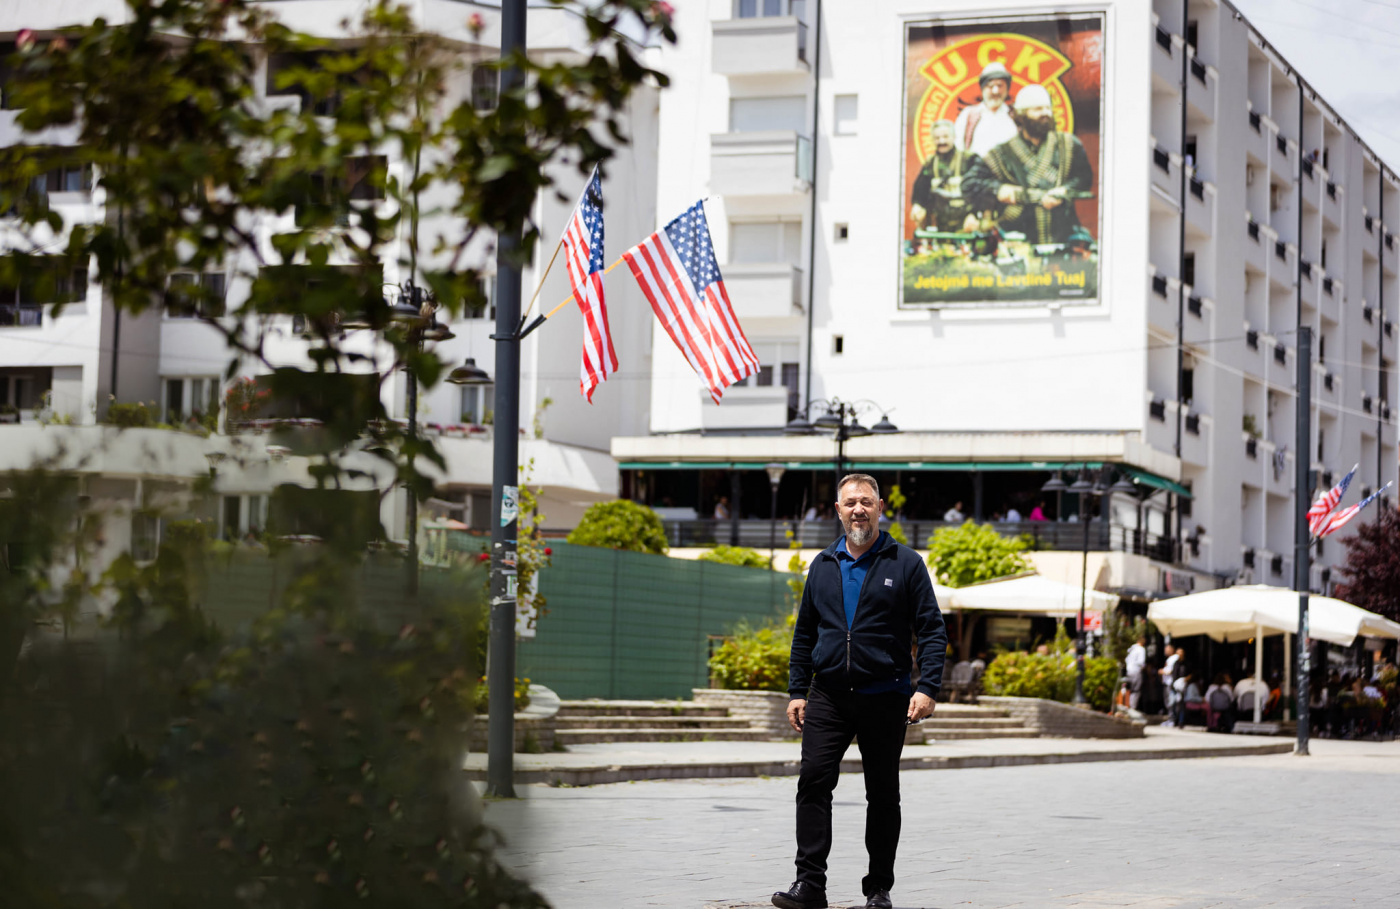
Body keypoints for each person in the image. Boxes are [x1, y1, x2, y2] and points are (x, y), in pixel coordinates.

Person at [774, 473, 946, 909]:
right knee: (813, 782)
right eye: (850, 502)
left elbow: (931, 630)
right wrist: (797, 691)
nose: (858, 510)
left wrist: (927, 686)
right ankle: (809, 884)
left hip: (886, 695)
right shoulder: (823, 564)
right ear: (838, 510)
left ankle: (878, 889)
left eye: (866, 502)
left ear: (880, 508)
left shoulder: (906, 563)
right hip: (828, 694)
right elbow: (805, 633)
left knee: (883, 793)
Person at [962, 83, 1096, 246]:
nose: (1045, 113)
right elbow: (970, 183)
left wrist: (1065, 190)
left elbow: (1084, 178)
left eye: (1047, 108)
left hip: (1062, 234)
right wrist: (999, 190)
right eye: (1037, 109)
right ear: (1021, 115)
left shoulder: (1069, 145)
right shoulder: (1002, 152)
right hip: (1017, 237)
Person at [910, 119, 980, 232]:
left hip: (968, 225)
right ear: (933, 140)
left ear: (954, 137)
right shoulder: (930, 164)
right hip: (940, 226)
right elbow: (920, 191)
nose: (941, 141)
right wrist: (918, 206)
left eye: (945, 136)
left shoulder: (969, 159)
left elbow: (981, 190)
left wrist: (974, 214)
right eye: (937, 138)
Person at [954, 61, 1018, 157]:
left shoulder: (1015, 116)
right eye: (990, 86)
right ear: (982, 88)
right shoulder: (968, 115)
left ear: (1007, 88)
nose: (995, 91)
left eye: (1000, 86)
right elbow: (958, 148)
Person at [1159, 645, 1180, 726]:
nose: (1165, 651)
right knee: (1167, 702)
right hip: (1166, 683)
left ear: (1172, 649)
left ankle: (1172, 719)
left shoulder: (1174, 658)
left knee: (1171, 702)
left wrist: (1162, 672)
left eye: (1167, 649)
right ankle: (1170, 719)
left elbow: (1172, 670)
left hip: (1170, 683)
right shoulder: (1170, 658)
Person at [1125, 635, 1147, 710]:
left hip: (1129, 670)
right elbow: (1141, 662)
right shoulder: (1141, 649)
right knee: (1136, 690)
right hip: (1136, 671)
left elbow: (1126, 659)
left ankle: (1127, 706)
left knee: (1129, 689)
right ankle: (1132, 707)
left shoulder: (1132, 648)